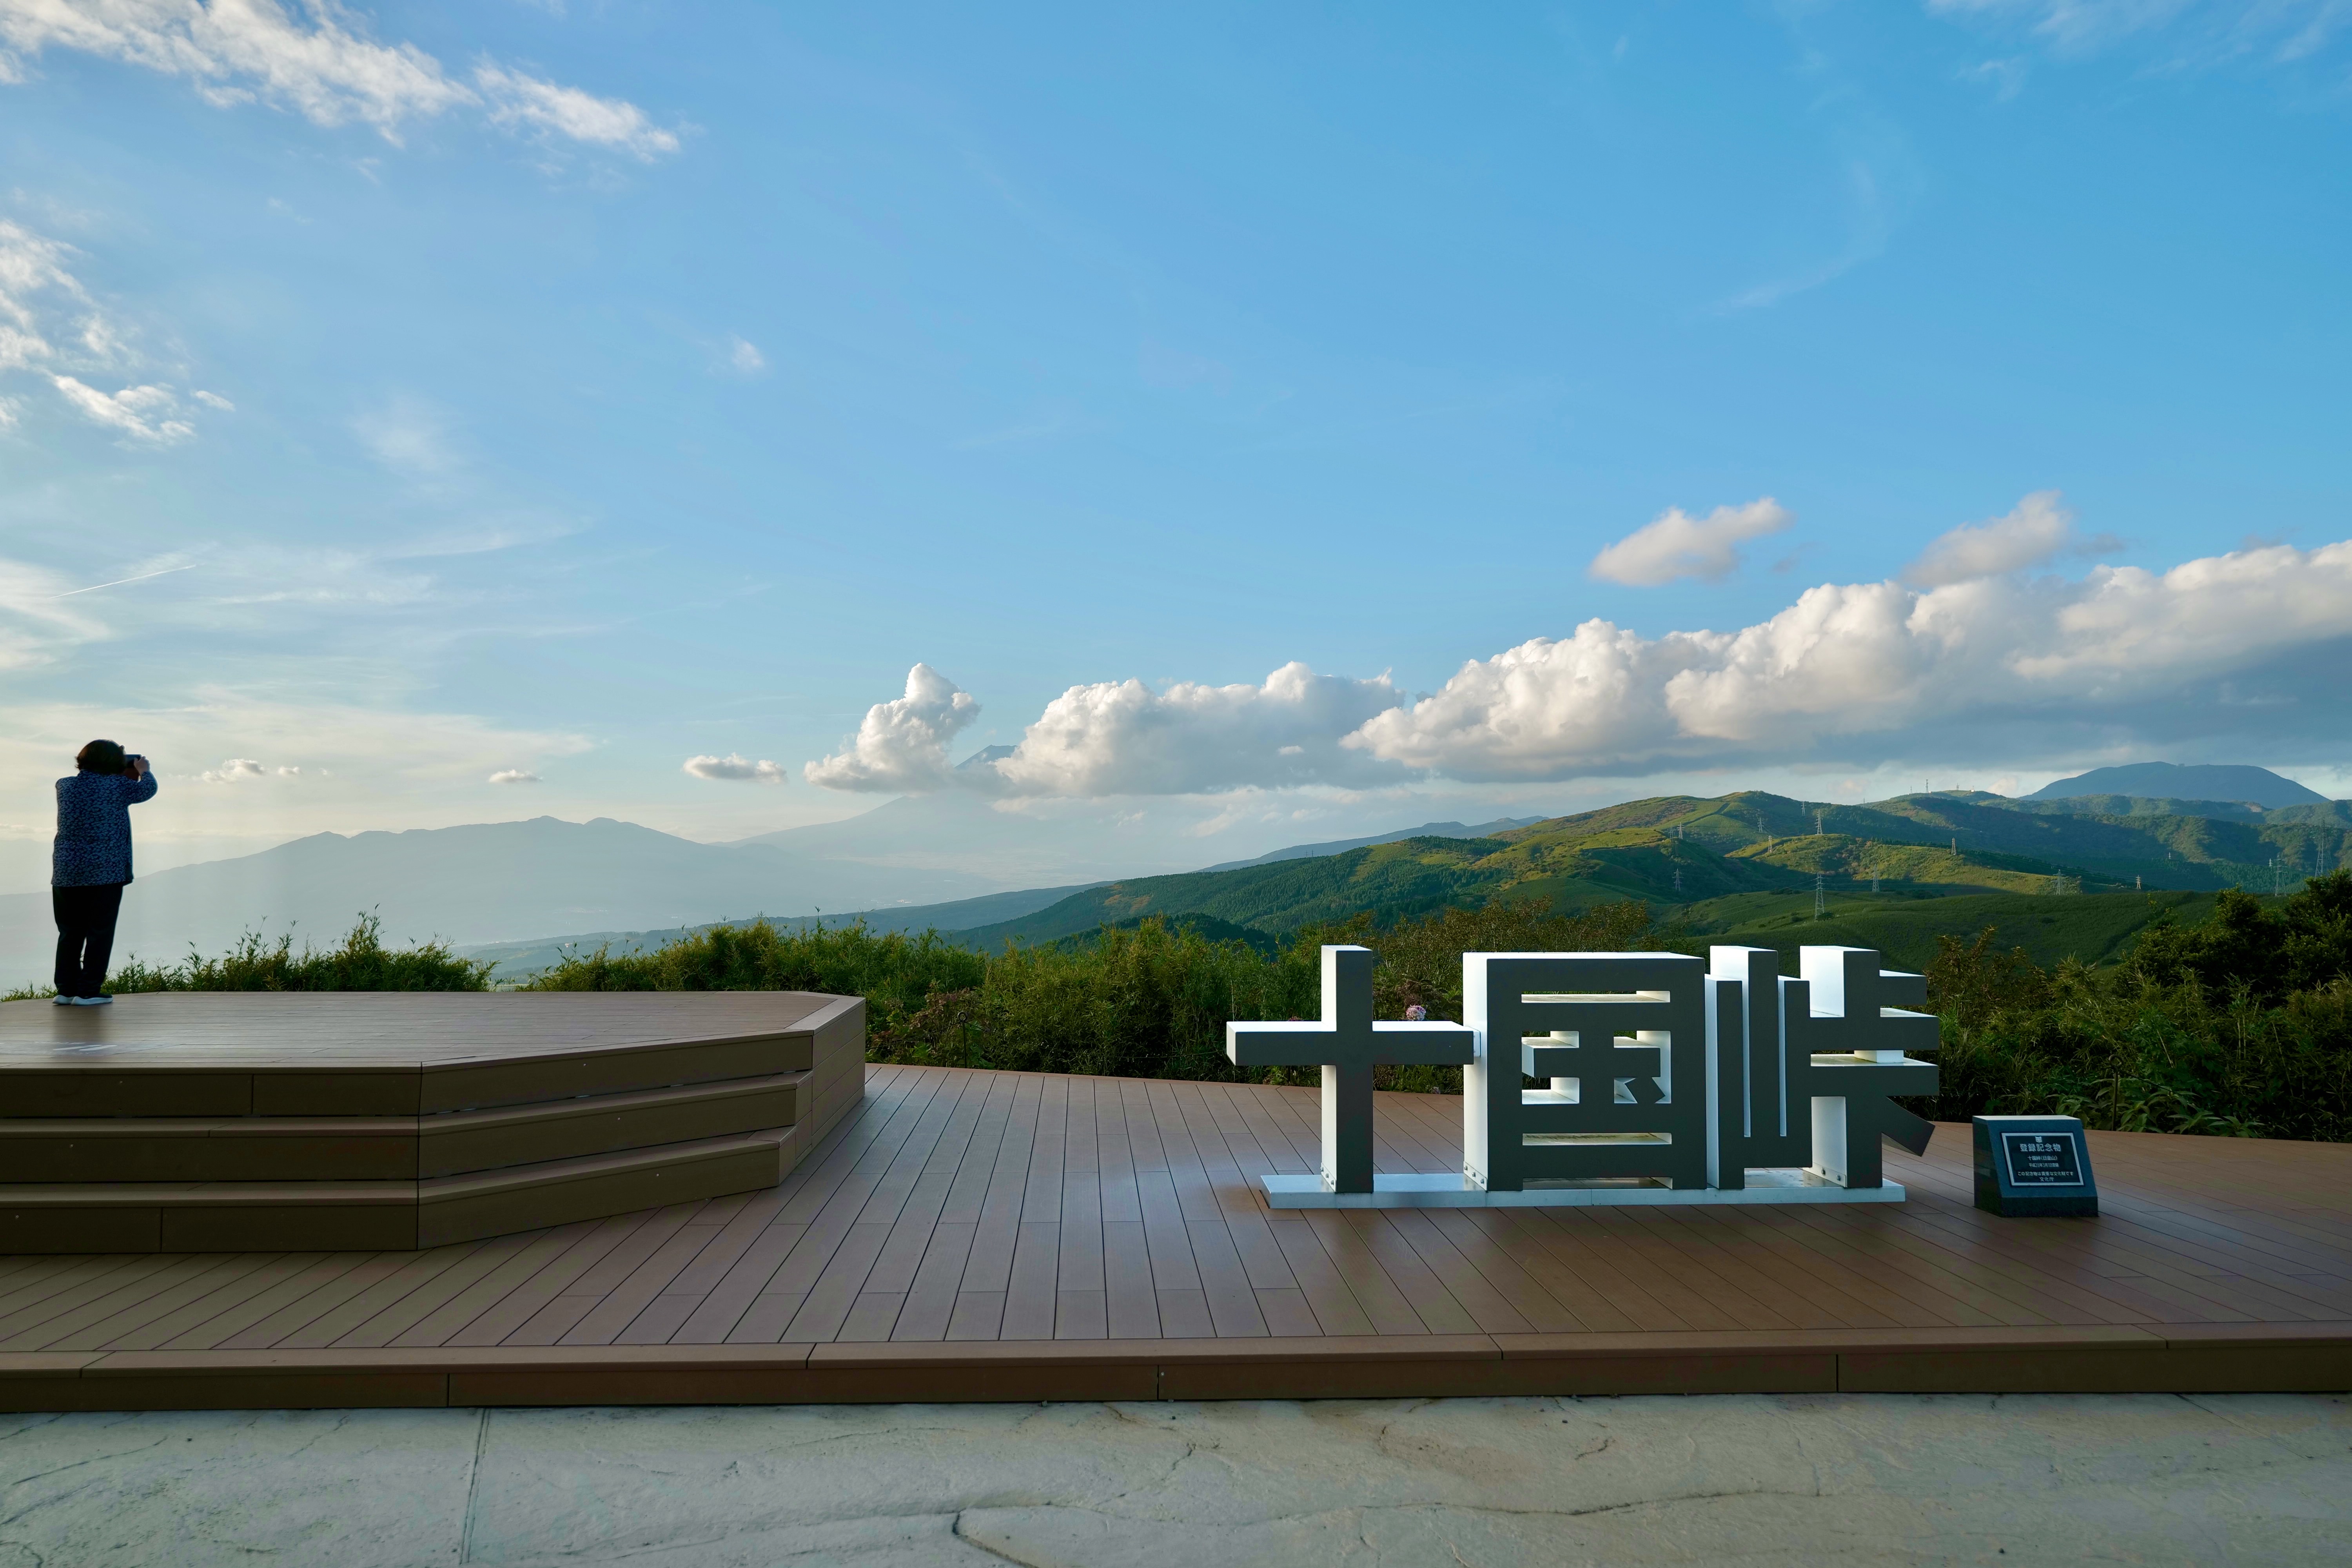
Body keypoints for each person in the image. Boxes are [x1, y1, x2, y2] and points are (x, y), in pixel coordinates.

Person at [52, 739, 157, 1005]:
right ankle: (88, 992)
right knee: (99, 931)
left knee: (70, 932)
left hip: (67, 871)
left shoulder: (64, 785)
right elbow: (148, 790)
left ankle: (66, 990)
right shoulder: (119, 786)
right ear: (113, 763)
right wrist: (143, 769)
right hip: (105, 872)